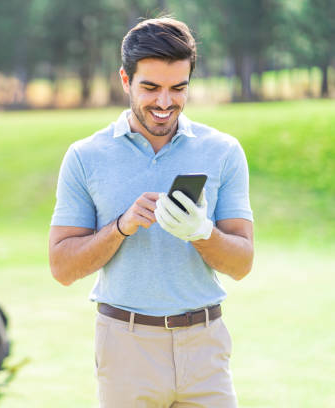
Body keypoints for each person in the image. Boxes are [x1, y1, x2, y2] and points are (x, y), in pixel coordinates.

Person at [48, 17, 254, 408]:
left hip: (204, 346)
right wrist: (121, 227)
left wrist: (201, 232)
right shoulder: (85, 157)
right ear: (125, 80)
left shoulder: (223, 151)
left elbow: (242, 263)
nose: (164, 103)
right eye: (150, 88)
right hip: (125, 347)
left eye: (178, 89)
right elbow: (62, 267)